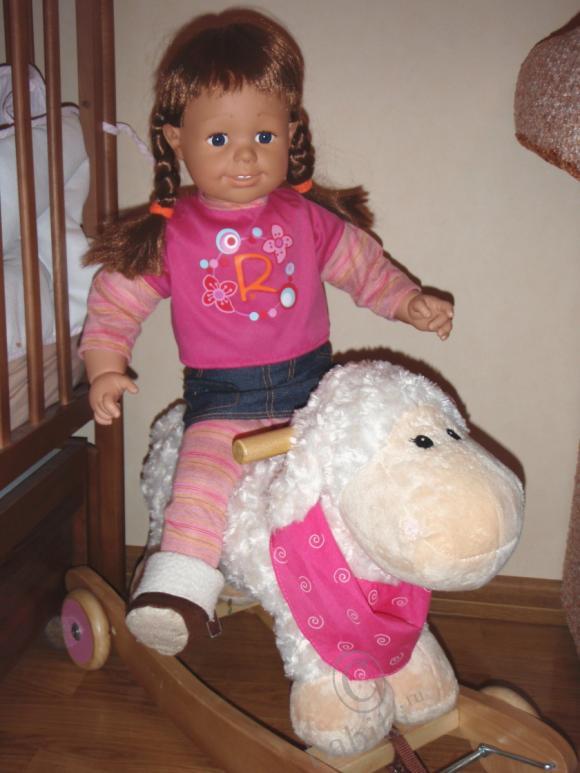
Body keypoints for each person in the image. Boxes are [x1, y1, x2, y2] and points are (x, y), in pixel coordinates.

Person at [80, 8, 454, 656]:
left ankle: (377, 587)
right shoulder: (173, 234)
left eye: (263, 134)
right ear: (176, 141)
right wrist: (105, 368)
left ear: (291, 132)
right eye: (219, 138)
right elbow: (115, 305)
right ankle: (178, 593)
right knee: (200, 482)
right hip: (223, 399)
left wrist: (406, 300)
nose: (246, 154)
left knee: (357, 478)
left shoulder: (304, 217)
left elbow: (363, 267)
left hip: (313, 391)